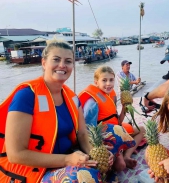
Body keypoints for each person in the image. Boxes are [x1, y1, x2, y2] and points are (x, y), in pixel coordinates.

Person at [0, 39, 113, 183]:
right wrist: (67, 160)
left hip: (68, 156)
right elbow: (15, 154)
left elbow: (83, 134)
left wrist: (96, 154)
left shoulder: (72, 97)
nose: (62, 65)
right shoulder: (27, 96)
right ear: (44, 63)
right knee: (83, 177)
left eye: (68, 61)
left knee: (111, 138)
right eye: (56, 59)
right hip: (33, 170)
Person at [78, 66, 145, 170]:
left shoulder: (111, 95)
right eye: (104, 80)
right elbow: (88, 131)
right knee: (120, 166)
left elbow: (118, 121)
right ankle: (121, 155)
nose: (108, 84)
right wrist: (100, 149)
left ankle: (126, 156)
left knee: (142, 130)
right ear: (96, 82)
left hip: (116, 130)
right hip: (104, 137)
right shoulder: (92, 104)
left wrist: (124, 107)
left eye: (111, 80)